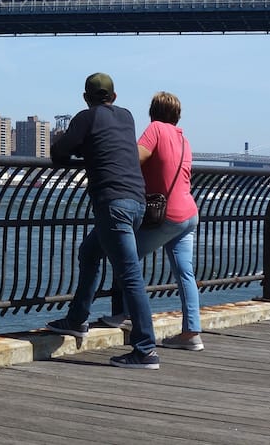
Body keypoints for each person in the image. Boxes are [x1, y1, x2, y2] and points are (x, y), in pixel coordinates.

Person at [46, 72, 160, 369]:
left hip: (113, 205)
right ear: (115, 96)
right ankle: (76, 319)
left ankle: (145, 349)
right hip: (136, 202)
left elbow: (59, 153)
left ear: (85, 98)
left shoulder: (86, 118)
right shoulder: (127, 117)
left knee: (130, 276)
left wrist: (67, 140)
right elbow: (108, 146)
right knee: (90, 253)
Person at [98, 91, 203, 351]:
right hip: (189, 214)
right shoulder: (184, 139)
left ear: (153, 111)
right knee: (185, 273)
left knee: (127, 259)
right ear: (177, 115)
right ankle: (192, 334)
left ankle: (126, 315)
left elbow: (134, 158)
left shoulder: (155, 129)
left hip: (167, 215)